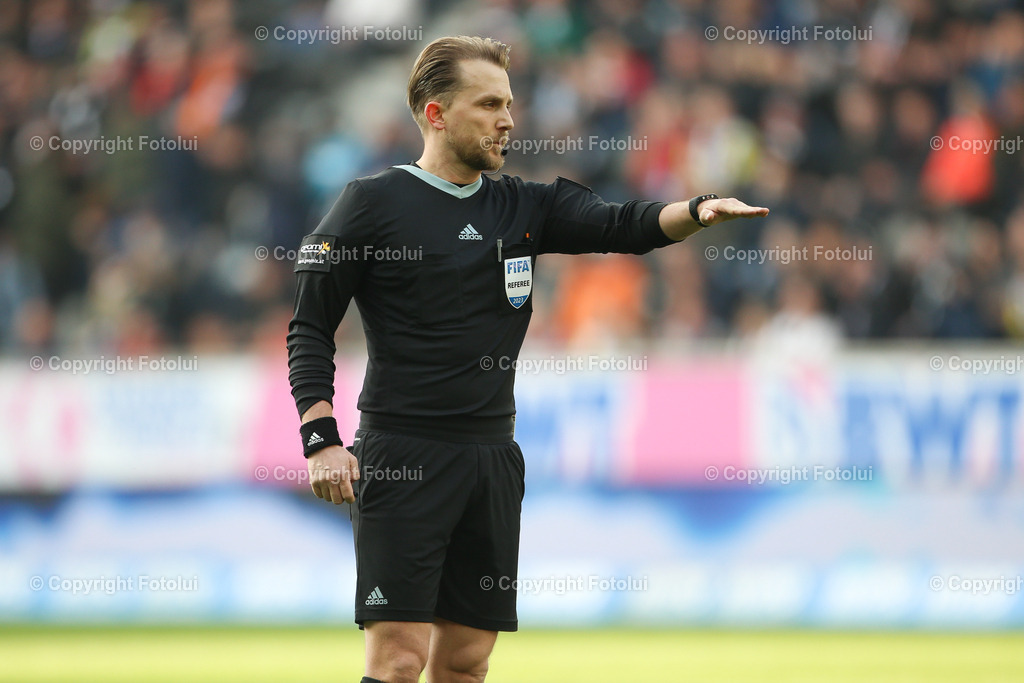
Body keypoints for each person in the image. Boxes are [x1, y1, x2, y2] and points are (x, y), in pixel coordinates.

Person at [286, 35, 768, 683]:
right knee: (399, 657)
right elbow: (310, 327)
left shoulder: (524, 206)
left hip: (492, 459)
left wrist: (697, 210)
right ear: (435, 113)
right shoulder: (370, 205)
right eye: (488, 104)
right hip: (402, 456)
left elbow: (623, 223)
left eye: (509, 104)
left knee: (466, 662)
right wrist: (321, 438)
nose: (508, 119)